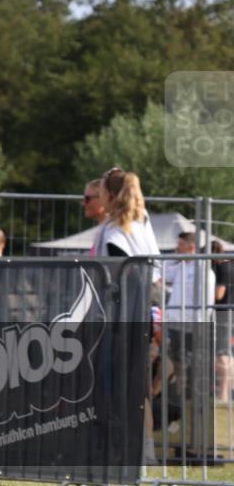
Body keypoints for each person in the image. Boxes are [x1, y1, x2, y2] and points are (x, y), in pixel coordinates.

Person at [90, 166, 160, 464]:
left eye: (100, 192)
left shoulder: (116, 231)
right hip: (141, 314)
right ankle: (141, 453)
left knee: (114, 387)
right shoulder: (141, 222)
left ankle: (119, 452)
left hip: (122, 318)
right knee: (135, 388)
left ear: (109, 195)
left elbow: (121, 278)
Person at [212, 239, 233, 402]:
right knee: (227, 353)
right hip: (228, 312)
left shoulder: (221, 268)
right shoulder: (230, 266)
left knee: (222, 353)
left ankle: (223, 395)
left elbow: (219, 294)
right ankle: (226, 393)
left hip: (222, 313)